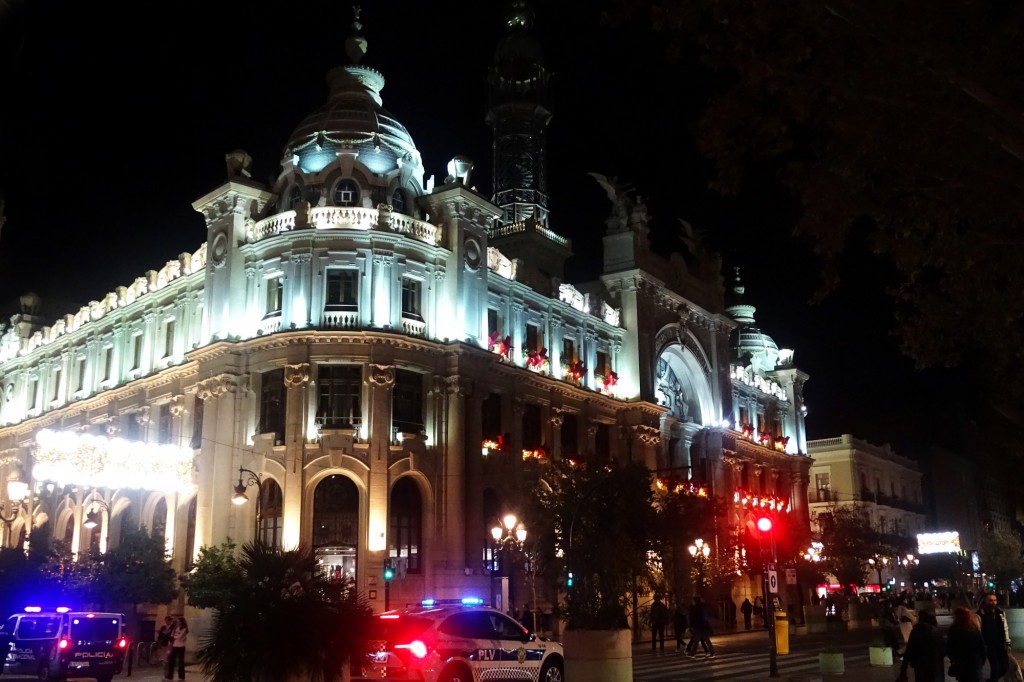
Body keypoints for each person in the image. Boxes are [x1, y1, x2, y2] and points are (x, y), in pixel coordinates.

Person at [897, 610, 945, 682]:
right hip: (936, 667)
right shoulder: (936, 631)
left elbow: (909, 650)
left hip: (921, 666)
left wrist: (903, 669)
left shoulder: (916, 631)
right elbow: (943, 650)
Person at [976, 592, 1011, 682]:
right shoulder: (979, 614)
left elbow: (1005, 627)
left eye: (995, 600)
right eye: (990, 600)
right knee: (995, 666)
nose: (993, 602)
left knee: (1004, 666)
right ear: (985, 601)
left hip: (1000, 643)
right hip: (988, 644)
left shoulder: (1000, 613)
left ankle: (992, 680)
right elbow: (977, 630)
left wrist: (1007, 641)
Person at [947, 607, 986, 682]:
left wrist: (953, 660)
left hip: (961, 663)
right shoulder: (974, 628)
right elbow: (982, 646)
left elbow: (950, 648)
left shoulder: (954, 630)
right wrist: (981, 661)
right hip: (975, 663)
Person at [163, 616, 189, 682]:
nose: (177, 622)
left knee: (180, 662)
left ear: (182, 622)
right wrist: (173, 638)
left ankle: (181, 677)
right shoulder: (175, 628)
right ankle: (169, 677)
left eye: (179, 621)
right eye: (177, 621)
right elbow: (171, 635)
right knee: (171, 661)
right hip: (174, 645)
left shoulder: (184, 629)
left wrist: (175, 637)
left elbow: (180, 637)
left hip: (181, 646)